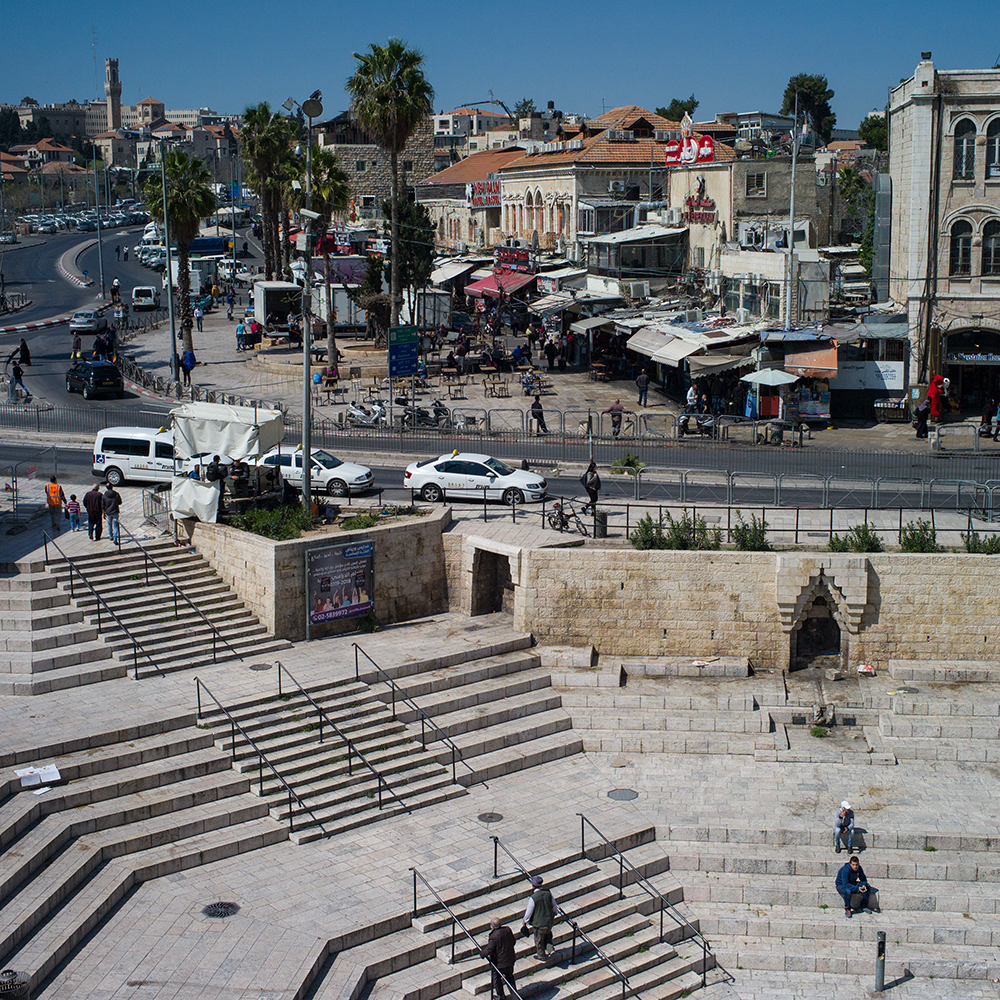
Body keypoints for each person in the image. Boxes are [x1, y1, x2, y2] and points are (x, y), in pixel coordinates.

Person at [480, 917, 516, 1000]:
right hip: (510, 960)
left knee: (497, 980)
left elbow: (489, 949)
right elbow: (513, 941)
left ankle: (501, 997)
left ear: (492, 926)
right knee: (510, 978)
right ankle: (515, 996)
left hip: (499, 963)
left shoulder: (494, 936)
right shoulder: (507, 930)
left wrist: (482, 953)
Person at [522, 875, 556, 960]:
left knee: (539, 940)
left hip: (539, 923)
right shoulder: (548, 893)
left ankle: (541, 956)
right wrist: (554, 914)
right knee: (548, 935)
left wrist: (525, 921)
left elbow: (529, 911)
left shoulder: (533, 898)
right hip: (549, 921)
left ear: (533, 886)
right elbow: (554, 906)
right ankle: (550, 948)